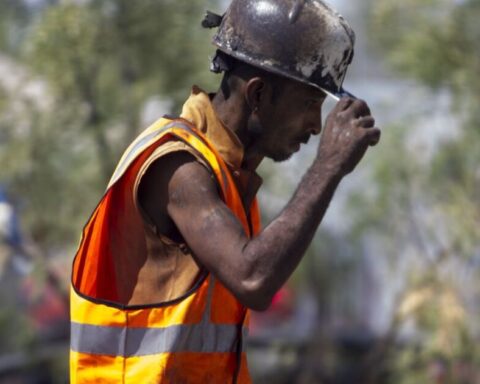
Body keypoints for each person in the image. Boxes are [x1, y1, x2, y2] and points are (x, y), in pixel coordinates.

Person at [70, 0, 381, 383]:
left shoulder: (229, 176)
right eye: (309, 104)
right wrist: (328, 166)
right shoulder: (178, 167)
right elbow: (253, 279)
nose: (316, 126)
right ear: (258, 94)